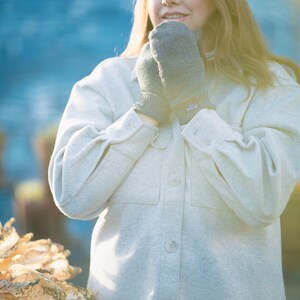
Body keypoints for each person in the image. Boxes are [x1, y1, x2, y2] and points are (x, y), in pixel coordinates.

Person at [48, 0, 300, 299]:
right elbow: (71, 195)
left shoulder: (270, 84)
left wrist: (194, 107)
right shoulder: (107, 82)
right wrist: (145, 111)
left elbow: (264, 200)